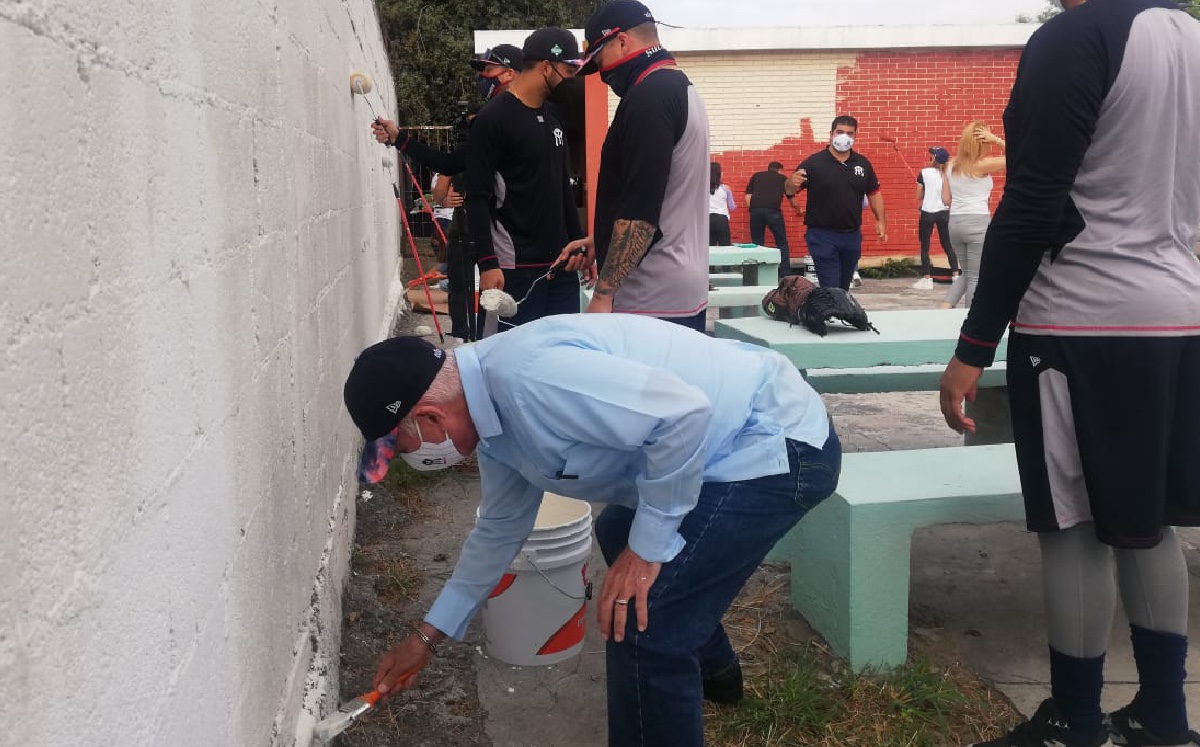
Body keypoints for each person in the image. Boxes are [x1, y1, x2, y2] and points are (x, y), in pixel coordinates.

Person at [344, 314, 842, 747]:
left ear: (429, 416)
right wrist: (427, 637)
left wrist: (648, 553)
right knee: (620, 531)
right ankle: (717, 673)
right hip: (719, 445)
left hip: (774, 444)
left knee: (642, 625)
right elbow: (499, 528)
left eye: (404, 448)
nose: (414, 458)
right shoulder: (490, 415)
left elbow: (683, 413)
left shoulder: (529, 379)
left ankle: (680, 650)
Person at [938, 1, 1200, 745]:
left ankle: (1075, 722)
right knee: (1147, 525)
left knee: (1074, 527)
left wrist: (974, 343)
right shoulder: (1191, 34)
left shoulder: (1076, 36)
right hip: (1177, 311)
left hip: (1080, 318)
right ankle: (1164, 717)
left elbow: (1030, 199)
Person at [560, 0, 711, 333]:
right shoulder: (679, 86)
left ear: (622, 41)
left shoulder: (649, 97)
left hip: (652, 296)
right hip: (679, 285)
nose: (602, 75)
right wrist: (600, 239)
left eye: (600, 60)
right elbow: (665, 193)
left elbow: (640, 215)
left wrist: (603, 295)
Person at [371, 45, 525, 341]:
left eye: (488, 69)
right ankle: (468, 341)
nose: (483, 76)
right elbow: (450, 163)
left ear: (509, 74)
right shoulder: (489, 120)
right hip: (488, 235)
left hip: (522, 244)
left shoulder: (535, 117)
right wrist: (399, 138)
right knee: (485, 314)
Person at [466, 28, 587, 335]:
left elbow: (563, 190)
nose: (572, 78)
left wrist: (578, 244)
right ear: (546, 66)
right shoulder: (493, 119)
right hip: (513, 268)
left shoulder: (555, 116)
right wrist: (488, 263)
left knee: (562, 355)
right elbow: (477, 196)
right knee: (509, 362)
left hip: (560, 266)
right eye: (568, 70)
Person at [784, 115, 888, 291]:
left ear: (855, 136)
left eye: (849, 133)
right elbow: (790, 190)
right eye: (840, 132)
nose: (844, 137)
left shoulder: (862, 164)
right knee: (831, 283)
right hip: (822, 234)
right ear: (831, 134)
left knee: (843, 284)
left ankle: (837, 312)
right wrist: (790, 182)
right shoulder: (814, 163)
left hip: (851, 235)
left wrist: (881, 220)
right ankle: (830, 315)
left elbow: (874, 192)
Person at [939, 122, 1006, 308]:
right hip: (978, 222)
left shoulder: (950, 165)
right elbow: (1022, 155)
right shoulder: (983, 165)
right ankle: (969, 318)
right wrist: (997, 140)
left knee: (966, 273)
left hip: (955, 223)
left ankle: (943, 308)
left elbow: (946, 199)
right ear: (982, 142)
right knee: (977, 276)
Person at [745, 161, 799, 279]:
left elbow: (748, 196)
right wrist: (798, 210)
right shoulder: (783, 178)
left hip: (756, 211)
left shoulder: (756, 176)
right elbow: (791, 197)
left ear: (768, 168)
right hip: (773, 211)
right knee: (782, 242)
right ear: (779, 170)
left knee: (757, 242)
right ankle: (785, 272)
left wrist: (753, 210)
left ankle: (756, 272)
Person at [913, 147, 958, 290]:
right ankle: (956, 275)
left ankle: (927, 279)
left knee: (925, 246)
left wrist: (925, 189)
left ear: (934, 158)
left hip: (928, 212)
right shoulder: (950, 173)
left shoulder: (924, 173)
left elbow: (918, 196)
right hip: (944, 212)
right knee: (947, 245)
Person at [708, 162, 736, 246]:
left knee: (709, 248)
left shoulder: (702, 188)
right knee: (725, 247)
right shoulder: (726, 188)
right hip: (722, 220)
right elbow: (732, 207)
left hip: (707, 219)